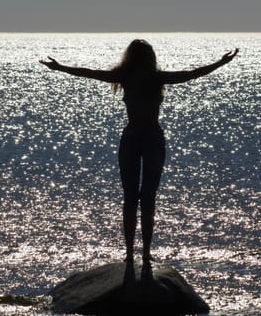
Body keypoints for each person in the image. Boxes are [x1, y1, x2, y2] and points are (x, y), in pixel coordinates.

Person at [40, 39, 238, 267]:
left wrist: (61, 67)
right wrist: (221, 63)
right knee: (146, 198)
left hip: (134, 137)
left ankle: (133, 253)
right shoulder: (154, 78)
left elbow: (88, 73)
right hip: (150, 138)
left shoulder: (126, 77)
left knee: (132, 198)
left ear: (130, 57)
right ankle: (142, 253)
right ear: (150, 57)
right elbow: (192, 74)